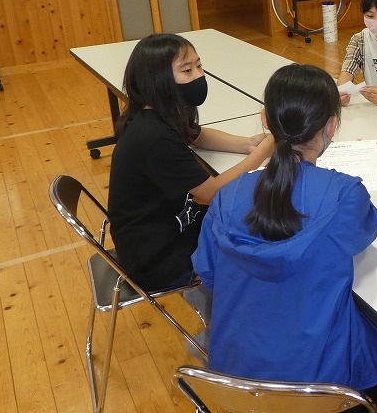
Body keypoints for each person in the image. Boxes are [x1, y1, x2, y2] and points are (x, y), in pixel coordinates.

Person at [192, 64, 377, 410]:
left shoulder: (228, 196)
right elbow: (364, 234)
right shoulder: (345, 194)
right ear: (331, 126)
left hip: (236, 380)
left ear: (265, 121)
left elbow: (208, 275)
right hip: (320, 387)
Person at [107, 33, 274, 292]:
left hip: (166, 229)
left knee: (252, 217)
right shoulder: (154, 138)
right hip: (158, 259)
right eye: (187, 70)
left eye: (199, 65)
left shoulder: (153, 113)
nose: (198, 75)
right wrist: (263, 151)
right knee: (258, 229)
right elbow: (213, 192)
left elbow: (196, 134)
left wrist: (247, 144)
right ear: (157, 80)